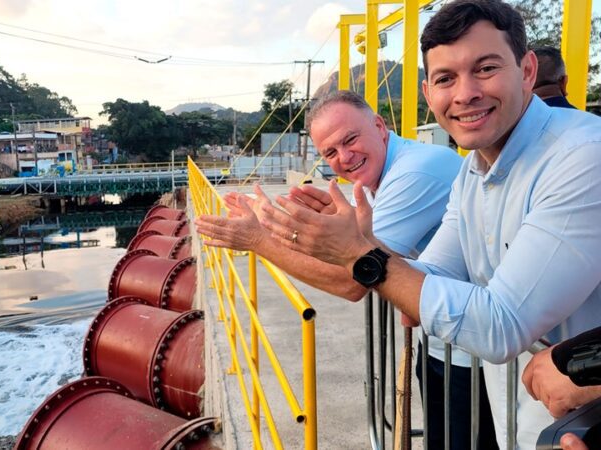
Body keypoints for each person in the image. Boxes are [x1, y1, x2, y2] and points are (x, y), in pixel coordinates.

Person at [254, 1, 601, 448]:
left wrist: (359, 255)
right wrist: (361, 243)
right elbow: (418, 289)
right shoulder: (473, 172)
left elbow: (501, 324)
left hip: (577, 421)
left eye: (486, 68)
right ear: (427, 91)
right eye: (445, 78)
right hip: (526, 418)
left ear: (528, 70)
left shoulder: (580, 156)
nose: (465, 93)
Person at [196, 90, 496, 449]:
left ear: (379, 126)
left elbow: (355, 277)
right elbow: (357, 251)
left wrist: (261, 241)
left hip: (476, 354)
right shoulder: (375, 179)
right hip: (444, 340)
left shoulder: (416, 170)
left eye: (350, 139)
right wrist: (293, 225)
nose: (345, 157)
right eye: (330, 153)